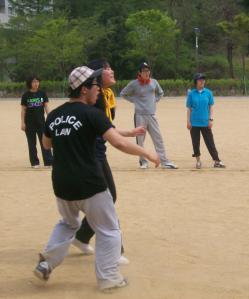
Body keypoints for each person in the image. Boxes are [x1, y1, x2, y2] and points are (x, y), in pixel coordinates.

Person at [33, 66, 160, 292]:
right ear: (83, 90)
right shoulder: (92, 114)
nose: (98, 91)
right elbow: (118, 143)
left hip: (62, 184)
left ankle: (46, 263)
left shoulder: (54, 115)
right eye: (95, 87)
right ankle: (108, 278)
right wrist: (147, 153)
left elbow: (46, 144)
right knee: (109, 229)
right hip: (90, 183)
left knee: (68, 223)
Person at [72, 59, 142, 265]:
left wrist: (130, 132)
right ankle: (114, 249)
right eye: (107, 68)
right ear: (95, 75)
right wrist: (143, 151)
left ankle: (82, 236)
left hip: (98, 153)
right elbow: (104, 130)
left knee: (108, 198)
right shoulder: (96, 98)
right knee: (106, 199)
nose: (111, 71)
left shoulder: (104, 95)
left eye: (111, 66)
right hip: (91, 154)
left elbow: (106, 127)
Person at [120, 62, 178, 169]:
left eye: (148, 70)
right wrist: (134, 101)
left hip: (152, 115)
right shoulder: (134, 84)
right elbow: (123, 94)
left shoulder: (154, 82)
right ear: (139, 72)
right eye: (144, 71)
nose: (147, 73)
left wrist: (155, 100)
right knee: (140, 140)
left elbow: (161, 93)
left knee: (158, 138)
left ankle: (164, 161)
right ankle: (143, 162)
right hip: (139, 115)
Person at [186, 73, 225, 169]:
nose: (202, 81)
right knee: (195, 143)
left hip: (205, 122)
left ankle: (217, 161)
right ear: (196, 82)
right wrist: (188, 121)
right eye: (200, 80)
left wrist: (211, 119)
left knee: (210, 142)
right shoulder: (191, 94)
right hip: (194, 122)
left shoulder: (208, 93)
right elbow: (189, 109)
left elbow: (211, 107)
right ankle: (198, 161)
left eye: (203, 79)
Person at [20, 76, 53, 168]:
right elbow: (23, 110)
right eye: (34, 82)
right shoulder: (26, 95)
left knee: (45, 143)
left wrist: (49, 118)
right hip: (29, 124)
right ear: (30, 83)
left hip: (41, 123)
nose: (36, 83)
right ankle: (35, 163)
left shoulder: (42, 94)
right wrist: (22, 123)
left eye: (37, 81)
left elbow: (46, 107)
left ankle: (48, 162)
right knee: (32, 144)